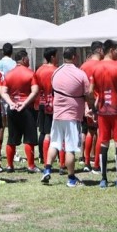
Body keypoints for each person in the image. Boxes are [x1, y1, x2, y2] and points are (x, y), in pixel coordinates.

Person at [41, 47, 91, 187]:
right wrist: (91, 106)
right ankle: (71, 178)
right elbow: (88, 93)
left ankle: (47, 169)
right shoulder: (80, 74)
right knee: (70, 148)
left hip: (57, 114)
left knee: (54, 143)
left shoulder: (56, 72)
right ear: (75, 57)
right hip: (72, 115)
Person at [90, 40, 117, 188]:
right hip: (116, 109)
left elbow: (89, 91)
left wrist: (93, 108)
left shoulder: (96, 67)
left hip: (102, 110)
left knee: (104, 142)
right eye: (116, 51)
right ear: (112, 50)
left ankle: (103, 179)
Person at [0, 50, 40, 173]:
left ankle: (9, 165)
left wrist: (11, 103)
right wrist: (24, 103)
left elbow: (3, 92)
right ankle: (31, 166)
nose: (28, 60)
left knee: (11, 138)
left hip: (12, 109)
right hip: (27, 109)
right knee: (29, 138)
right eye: (27, 58)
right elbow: (35, 91)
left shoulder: (9, 74)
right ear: (23, 59)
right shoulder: (30, 73)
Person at [79, 41, 104, 173]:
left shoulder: (83, 66)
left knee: (90, 131)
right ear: (100, 50)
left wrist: (84, 106)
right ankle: (96, 165)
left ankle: (87, 162)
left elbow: (80, 88)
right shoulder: (102, 65)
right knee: (100, 132)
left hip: (87, 103)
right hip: (100, 102)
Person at [35, 48, 57, 169]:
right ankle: (48, 158)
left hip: (41, 103)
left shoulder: (39, 70)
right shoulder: (55, 70)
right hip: (52, 103)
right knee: (50, 132)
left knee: (42, 131)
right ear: (53, 57)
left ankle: (41, 155)